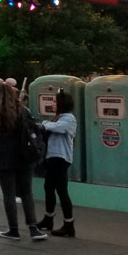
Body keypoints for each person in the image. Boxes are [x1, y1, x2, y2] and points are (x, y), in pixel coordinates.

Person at [0, 84, 47, 241]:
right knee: (26, 192)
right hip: (24, 158)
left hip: (2, 159)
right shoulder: (23, 112)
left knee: (8, 194)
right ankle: (33, 228)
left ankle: (13, 229)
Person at [36, 91, 78, 237]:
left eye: (55, 101)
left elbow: (56, 128)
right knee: (48, 187)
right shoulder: (58, 118)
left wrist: (44, 123)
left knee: (61, 190)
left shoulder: (69, 119)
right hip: (52, 157)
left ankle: (69, 224)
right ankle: (48, 218)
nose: (52, 104)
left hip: (61, 158)